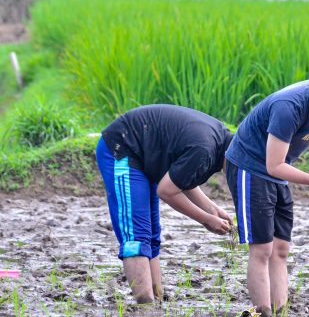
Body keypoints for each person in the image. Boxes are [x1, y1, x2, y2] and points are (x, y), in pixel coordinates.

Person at [225, 74, 309, 316]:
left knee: (281, 249)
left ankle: (280, 311)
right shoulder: (288, 107)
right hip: (251, 168)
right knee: (262, 249)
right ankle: (262, 312)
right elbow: (274, 166)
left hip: (277, 170)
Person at [95, 104, 235, 303]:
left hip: (144, 156)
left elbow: (180, 177)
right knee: (136, 236)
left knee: (151, 234)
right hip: (123, 147)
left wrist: (213, 209)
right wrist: (206, 219)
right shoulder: (205, 148)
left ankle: (156, 299)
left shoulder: (218, 141)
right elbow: (167, 191)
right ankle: (146, 307)